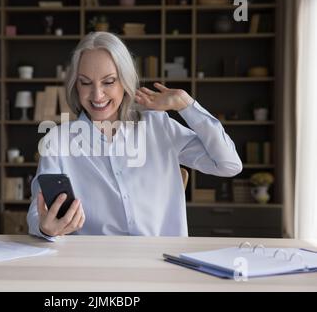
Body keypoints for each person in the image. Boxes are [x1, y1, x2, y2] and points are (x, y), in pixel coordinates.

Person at [27, 32, 242, 240]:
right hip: (94, 266)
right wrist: (46, 228)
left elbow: (228, 164)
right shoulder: (58, 141)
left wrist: (186, 104)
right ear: (76, 85)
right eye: (85, 82)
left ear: (125, 81)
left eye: (108, 81)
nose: (97, 94)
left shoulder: (158, 126)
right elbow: (37, 214)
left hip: (163, 263)